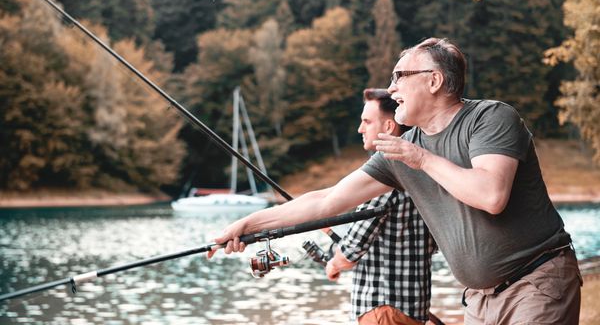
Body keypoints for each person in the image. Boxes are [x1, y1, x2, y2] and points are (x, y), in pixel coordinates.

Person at [210, 38, 582, 324]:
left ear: (434, 80)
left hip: (536, 282)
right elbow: (324, 201)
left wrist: (420, 159)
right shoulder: (401, 151)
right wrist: (247, 223)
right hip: (479, 299)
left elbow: (490, 194)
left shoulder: (490, 118)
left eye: (399, 76)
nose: (392, 88)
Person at [325, 88, 436, 325]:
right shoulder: (423, 171)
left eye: (366, 121)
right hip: (414, 308)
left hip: (382, 310)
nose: (360, 129)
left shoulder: (382, 178)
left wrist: (334, 263)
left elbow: (351, 251)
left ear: (388, 127)